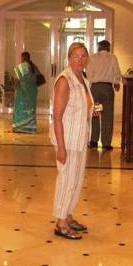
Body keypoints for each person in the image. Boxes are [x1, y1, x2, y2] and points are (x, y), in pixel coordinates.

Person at [50, 42, 95, 240]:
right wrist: (61, 147)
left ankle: (67, 215)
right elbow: (57, 116)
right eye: (76, 56)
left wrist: (91, 111)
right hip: (67, 140)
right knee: (67, 181)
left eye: (83, 56)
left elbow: (80, 106)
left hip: (80, 137)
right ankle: (60, 223)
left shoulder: (82, 78)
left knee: (76, 181)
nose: (80, 60)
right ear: (68, 58)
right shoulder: (64, 80)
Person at [85, 39, 122, 150]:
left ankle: (93, 141)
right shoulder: (112, 58)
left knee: (94, 114)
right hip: (107, 89)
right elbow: (117, 72)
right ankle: (106, 143)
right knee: (107, 116)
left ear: (99, 48)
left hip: (95, 88)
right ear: (109, 48)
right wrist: (116, 82)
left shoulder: (92, 57)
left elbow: (88, 73)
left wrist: (90, 85)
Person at [12, 51, 38, 133]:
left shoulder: (23, 66)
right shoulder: (34, 67)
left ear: (23, 58)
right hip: (32, 92)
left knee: (21, 108)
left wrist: (14, 86)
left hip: (23, 92)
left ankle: (20, 128)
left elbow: (17, 79)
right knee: (30, 110)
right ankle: (30, 128)